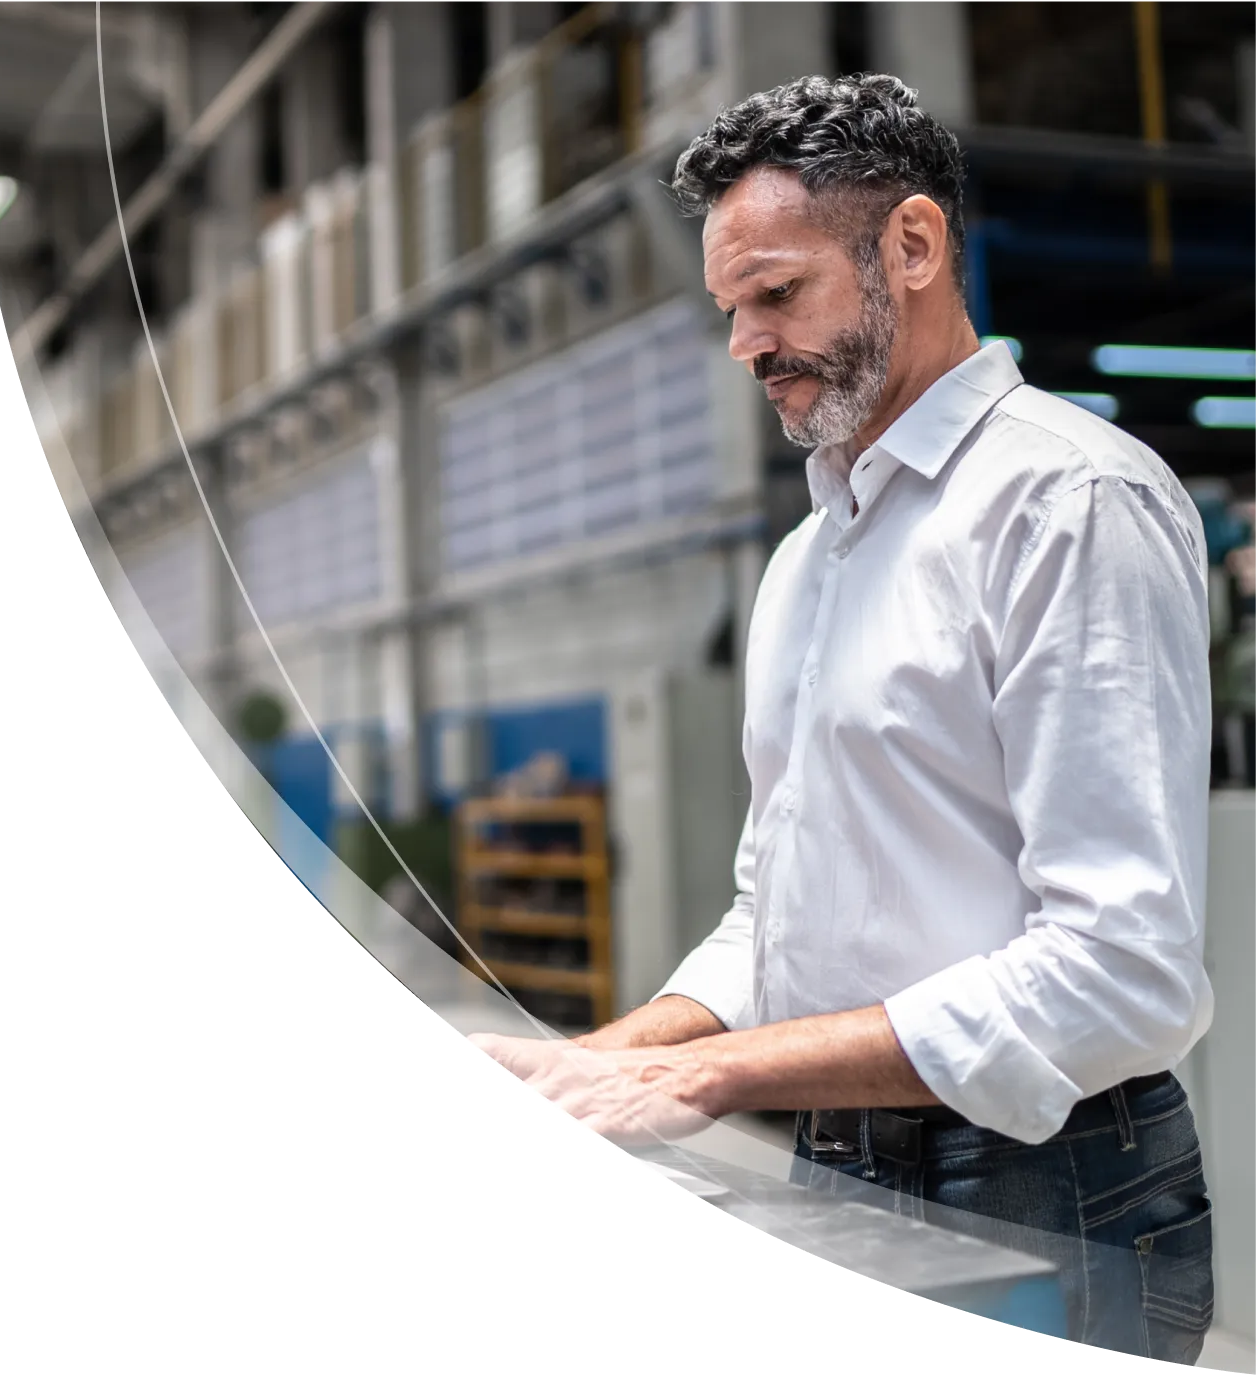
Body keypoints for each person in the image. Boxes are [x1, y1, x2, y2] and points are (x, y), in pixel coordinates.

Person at [472, 75, 1215, 1364]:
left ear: (912, 247)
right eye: (729, 311)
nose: (745, 344)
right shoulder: (811, 558)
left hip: (1047, 1185)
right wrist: (607, 1058)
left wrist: (716, 1077)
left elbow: (1122, 972)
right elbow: (779, 913)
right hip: (842, 1160)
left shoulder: (1067, 504)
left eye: (777, 295)